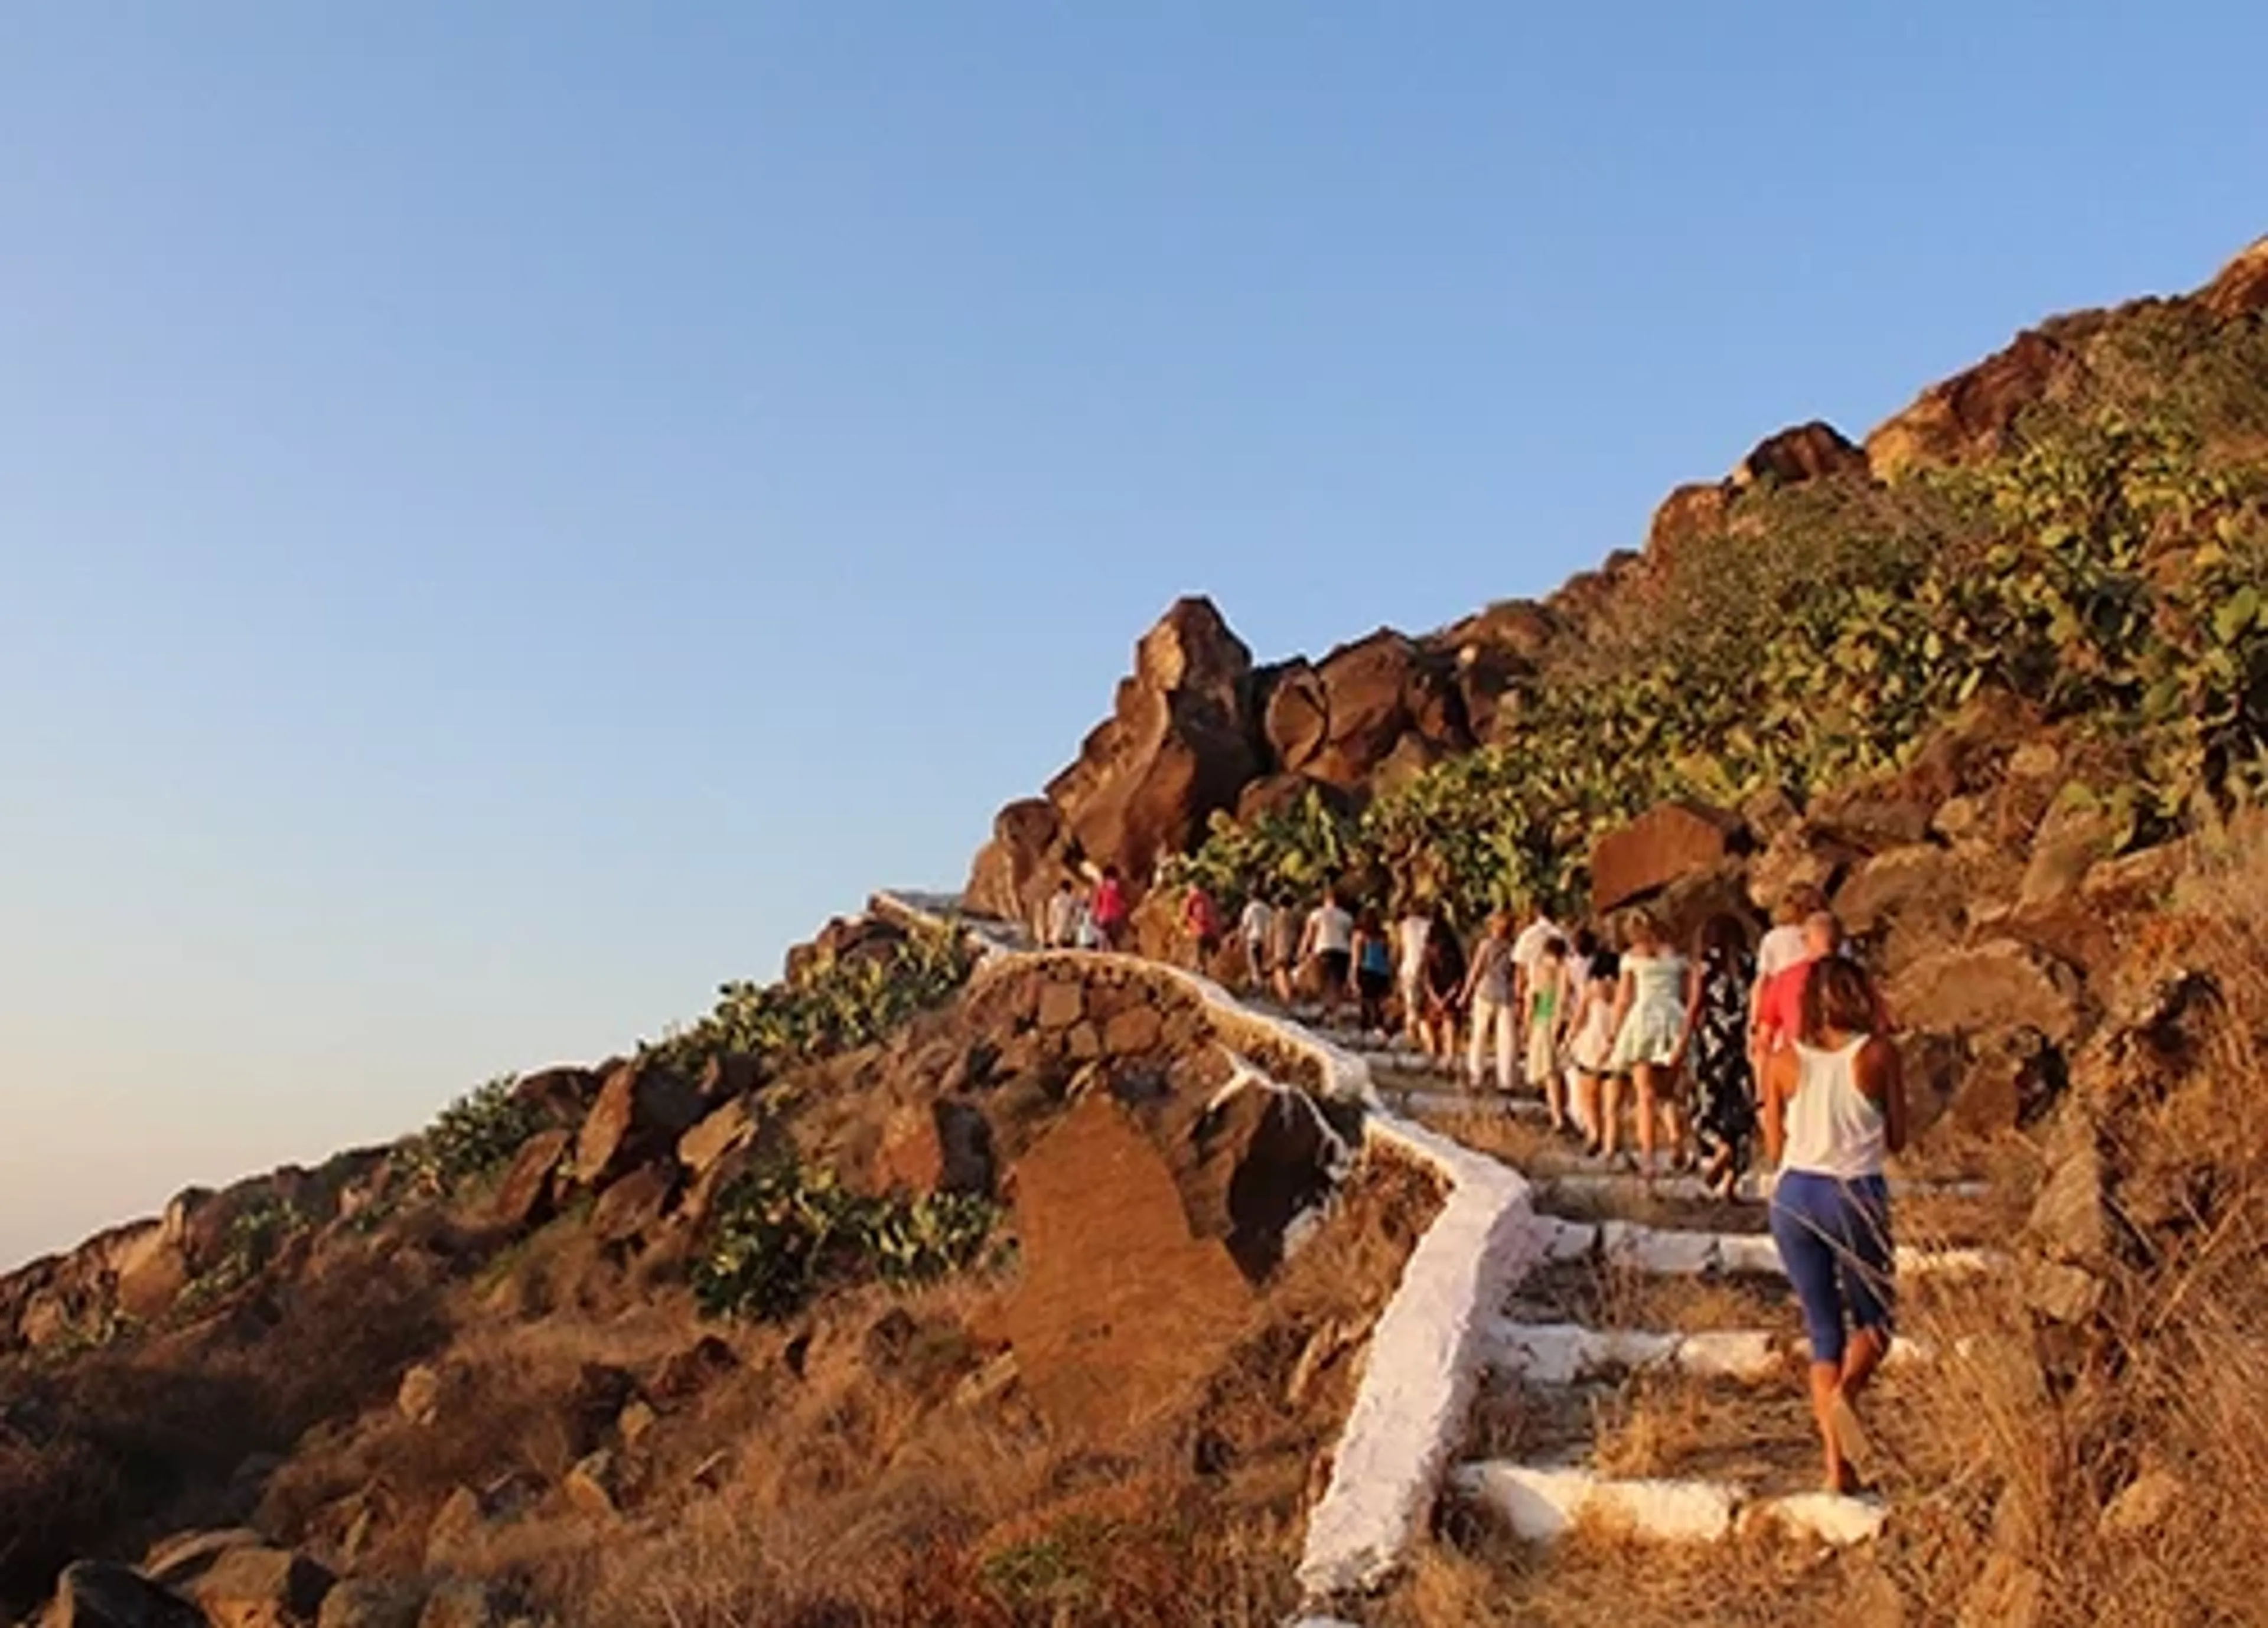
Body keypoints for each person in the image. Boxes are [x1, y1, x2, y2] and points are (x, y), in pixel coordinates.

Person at [1762, 955, 1907, 1495]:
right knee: (1876, 1323)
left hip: (1795, 1194)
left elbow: (1774, 1145)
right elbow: (1898, 1137)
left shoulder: (1782, 1059)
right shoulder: (1876, 1053)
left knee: (1823, 1331)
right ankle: (1848, 1393)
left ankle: (1836, 1468)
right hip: (1855, 1193)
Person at [1605, 910, 1692, 1179]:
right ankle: (1677, 1138)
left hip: (1643, 1021)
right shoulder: (1676, 958)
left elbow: (1623, 999)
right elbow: (1687, 994)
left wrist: (1615, 1032)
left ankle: (1649, 1157)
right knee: (1669, 1091)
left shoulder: (1631, 960)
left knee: (1645, 1094)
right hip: (1673, 1019)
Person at [1680, 912, 1758, 1199]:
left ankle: (1719, 1148)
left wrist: (1681, 1044)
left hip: (1712, 1041)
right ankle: (1730, 1180)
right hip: (1742, 1042)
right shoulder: (1751, 963)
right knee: (1739, 1104)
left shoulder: (1704, 965)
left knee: (1707, 1102)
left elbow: (1694, 1006)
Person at [1566, 938, 1621, 1156]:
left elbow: (1580, 1016)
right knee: (1612, 1107)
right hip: (1616, 1046)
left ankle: (1594, 1133)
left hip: (1591, 1044)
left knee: (1588, 1097)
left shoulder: (1592, 987)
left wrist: (1567, 1038)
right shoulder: (1626, 990)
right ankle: (1610, 1146)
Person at [1461, 911, 1518, 1095]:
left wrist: (1465, 994)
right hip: (1506, 994)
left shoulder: (1486, 945)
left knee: (1480, 1035)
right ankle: (1506, 1081)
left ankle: (1476, 1077)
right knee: (1507, 1039)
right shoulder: (1513, 947)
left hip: (1485, 992)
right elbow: (1517, 976)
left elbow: (1475, 970)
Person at [1524, 937, 1575, 1133]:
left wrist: (1527, 1025)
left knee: (1549, 1072)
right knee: (1561, 1072)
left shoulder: (1542, 970)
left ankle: (1558, 1116)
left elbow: (1532, 998)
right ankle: (1564, 1112)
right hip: (1565, 1021)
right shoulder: (1567, 970)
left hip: (1544, 1021)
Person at [1299, 887, 1357, 1025]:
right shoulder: (1347, 917)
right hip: (1343, 952)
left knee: (1322, 983)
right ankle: (1334, 1014)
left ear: (1326, 899)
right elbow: (1350, 938)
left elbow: (1309, 934)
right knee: (1336, 984)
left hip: (1323, 949)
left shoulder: (1316, 914)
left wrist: (1302, 951)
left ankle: (1325, 1010)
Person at [1418, 916, 1468, 1075]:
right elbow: (1459, 980)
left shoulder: (1428, 952)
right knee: (1450, 1026)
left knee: (1428, 1025)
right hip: (1450, 996)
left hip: (1434, 996)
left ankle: (1434, 1057)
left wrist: (1435, 998)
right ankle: (1449, 1061)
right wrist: (1446, 998)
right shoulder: (1455, 953)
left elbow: (1426, 978)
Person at [1510, 901, 1568, 1030]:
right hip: (1552, 987)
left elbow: (1520, 968)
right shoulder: (1559, 934)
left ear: (1537, 913)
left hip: (1532, 985)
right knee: (1546, 1026)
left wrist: (1518, 995)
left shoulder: (1527, 935)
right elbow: (1565, 965)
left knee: (1530, 1026)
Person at [1351, 908, 1396, 1038]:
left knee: (1366, 1002)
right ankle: (1379, 1027)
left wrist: (1353, 979)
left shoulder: (1360, 935)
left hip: (1366, 971)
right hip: (1382, 972)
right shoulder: (1383, 935)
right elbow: (1388, 955)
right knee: (1378, 1002)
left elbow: (1356, 959)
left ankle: (1366, 1030)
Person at [1396, 899, 1435, 1048]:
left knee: (1411, 1006)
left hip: (1408, 968)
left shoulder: (1404, 926)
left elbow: (1400, 949)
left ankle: (1412, 1040)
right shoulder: (1430, 926)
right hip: (1426, 970)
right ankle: (1427, 1042)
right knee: (1423, 1009)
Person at [1268, 895, 1304, 1006]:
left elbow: (1270, 934)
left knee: (1280, 973)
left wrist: (1269, 950)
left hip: (1280, 948)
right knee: (1289, 973)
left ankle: (1287, 1000)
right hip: (1294, 948)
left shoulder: (1276, 916)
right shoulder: (1297, 916)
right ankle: (1292, 998)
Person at [1237, 893, 1276, 991]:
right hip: (1265, 940)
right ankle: (1263, 986)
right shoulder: (1268, 909)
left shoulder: (1250, 908)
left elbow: (1245, 925)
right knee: (1261, 965)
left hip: (1253, 939)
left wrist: (1240, 939)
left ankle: (1258, 988)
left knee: (1254, 965)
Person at [1182, 882, 1221, 971]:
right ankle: (1210, 969)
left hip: (1200, 928)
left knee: (1200, 949)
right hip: (1213, 931)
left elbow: (1187, 913)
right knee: (1211, 952)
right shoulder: (1210, 900)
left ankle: (1202, 967)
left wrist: (1185, 923)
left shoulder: (1192, 898)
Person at [1090, 866, 1130, 951]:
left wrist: (1095, 915)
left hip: (1104, 916)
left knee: (1103, 942)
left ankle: (1104, 954)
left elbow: (1097, 902)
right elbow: (1123, 902)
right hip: (1116, 917)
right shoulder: (1119, 887)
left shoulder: (1102, 886)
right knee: (1114, 942)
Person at [1041, 878, 1081, 950]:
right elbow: (1074, 915)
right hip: (1067, 931)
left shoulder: (1054, 899)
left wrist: (1050, 926)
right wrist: (1074, 927)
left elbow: (1051, 915)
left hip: (1056, 930)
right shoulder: (1071, 900)